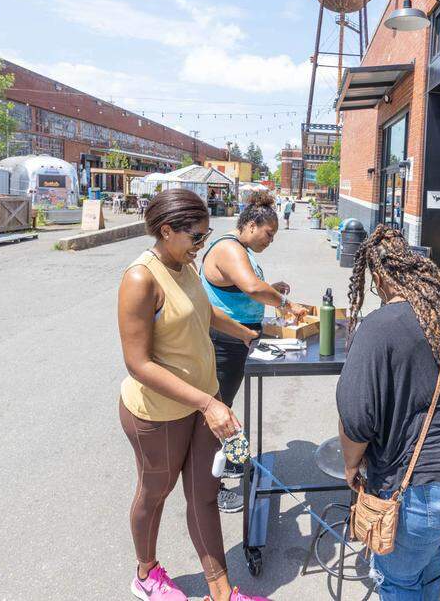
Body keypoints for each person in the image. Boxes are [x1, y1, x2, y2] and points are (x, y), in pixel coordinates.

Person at [117, 188, 271, 601]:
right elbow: (138, 363)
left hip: (204, 403)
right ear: (167, 231)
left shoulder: (184, 267)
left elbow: (202, 310)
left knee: (204, 495)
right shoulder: (140, 278)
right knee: (155, 492)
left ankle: (222, 593)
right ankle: (146, 574)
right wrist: (206, 402)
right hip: (159, 413)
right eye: (197, 238)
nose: (202, 246)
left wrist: (245, 333)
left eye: (205, 237)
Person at [336, 225, 440, 600]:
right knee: (424, 557)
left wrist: (350, 467)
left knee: (396, 580)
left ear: (378, 277)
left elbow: (356, 420)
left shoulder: (379, 327)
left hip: (426, 487)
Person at [201, 190, 301, 513]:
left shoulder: (240, 249)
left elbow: (249, 287)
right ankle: (209, 489)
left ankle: (228, 463)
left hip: (238, 340)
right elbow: (253, 288)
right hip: (224, 342)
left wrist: (273, 286)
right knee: (217, 412)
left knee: (225, 406)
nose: (269, 241)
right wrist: (284, 302)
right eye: (269, 234)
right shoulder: (229, 248)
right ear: (253, 224)